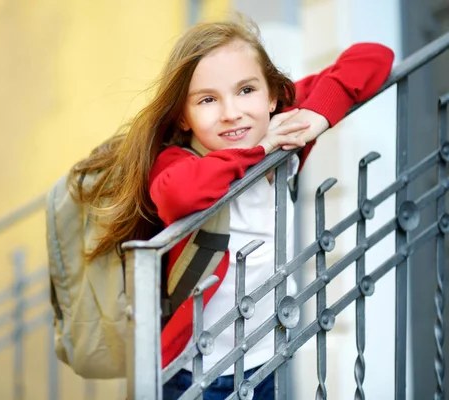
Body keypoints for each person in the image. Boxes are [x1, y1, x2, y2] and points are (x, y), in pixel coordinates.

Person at [70, 18, 394, 400]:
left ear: (272, 96)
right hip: (194, 373)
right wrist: (259, 151)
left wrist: (319, 115)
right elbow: (179, 195)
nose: (231, 112)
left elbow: (375, 56)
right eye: (207, 99)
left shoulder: (282, 128)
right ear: (182, 116)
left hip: (268, 359)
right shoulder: (178, 160)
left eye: (245, 90)